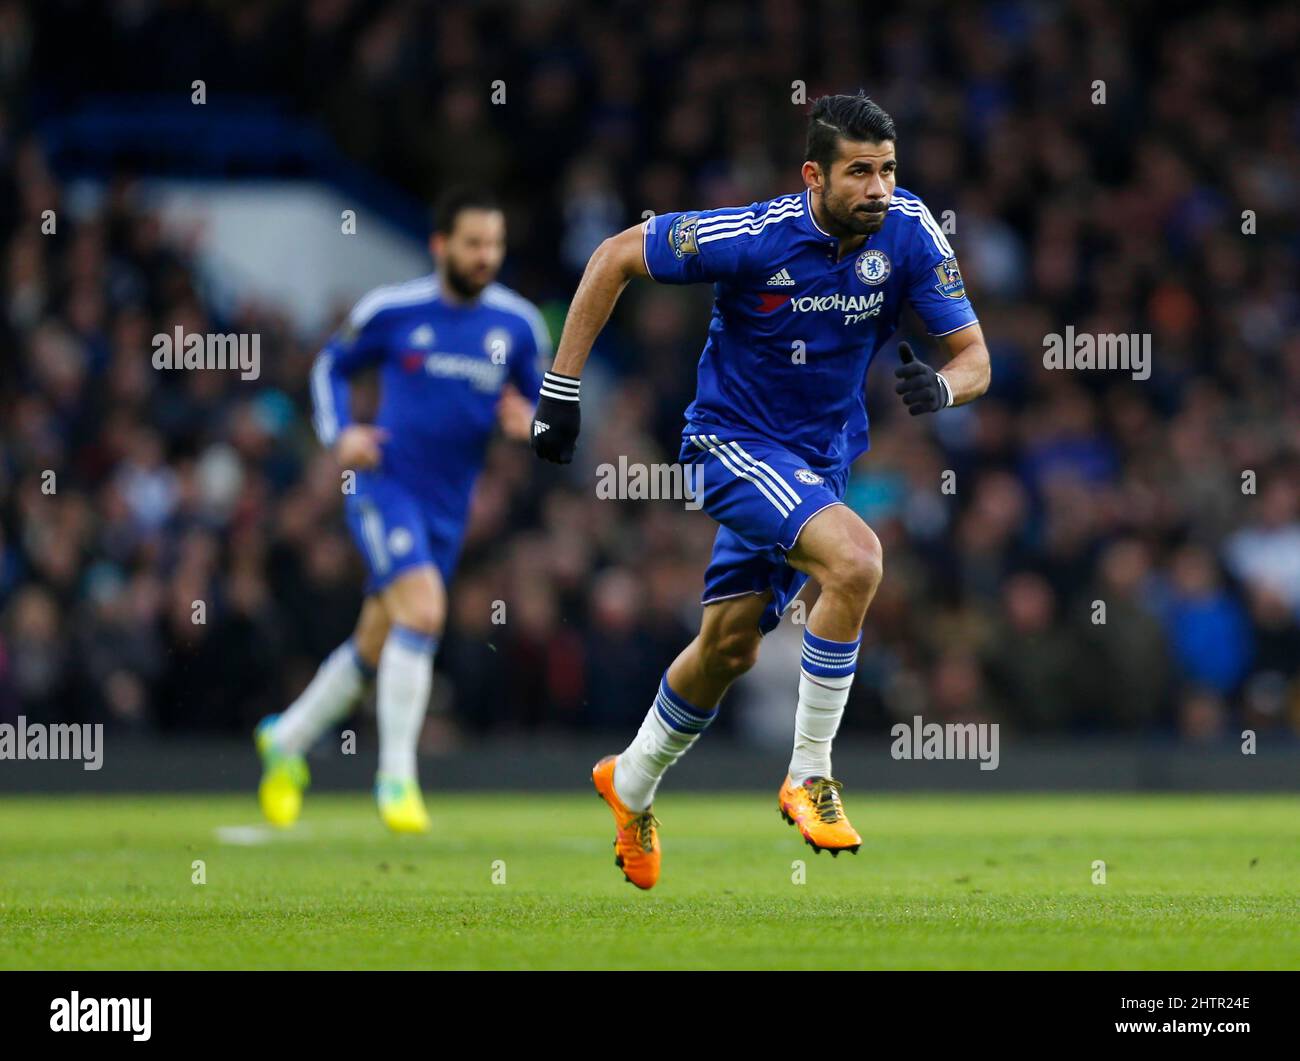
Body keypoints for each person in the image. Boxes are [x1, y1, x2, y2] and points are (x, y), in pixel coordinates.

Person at [531, 93, 990, 888]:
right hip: (731, 446)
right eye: (858, 173)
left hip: (819, 466)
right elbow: (613, 256)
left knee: (729, 647)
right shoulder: (753, 236)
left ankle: (630, 781)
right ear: (814, 175)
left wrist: (944, 391)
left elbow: (975, 354)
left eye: (886, 170)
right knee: (857, 558)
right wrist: (561, 391)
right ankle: (810, 772)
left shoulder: (911, 231)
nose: (878, 188)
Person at [255, 188, 547, 833]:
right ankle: (397, 778)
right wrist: (341, 436)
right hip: (385, 485)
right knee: (424, 611)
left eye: (494, 245)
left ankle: (286, 740)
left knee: (376, 641)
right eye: (473, 244)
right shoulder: (392, 310)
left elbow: (545, 412)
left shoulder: (519, 325)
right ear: (441, 245)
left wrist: (529, 425)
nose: (485, 257)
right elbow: (329, 365)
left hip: (450, 509)